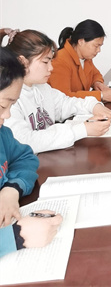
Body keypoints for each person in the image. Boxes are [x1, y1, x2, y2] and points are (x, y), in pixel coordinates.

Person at [2, 29, 111, 155]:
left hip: (49, 157)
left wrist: (93, 106)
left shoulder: (42, 88)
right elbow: (24, 141)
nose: (51, 68)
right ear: (22, 62)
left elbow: (65, 103)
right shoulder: (8, 99)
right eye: (45, 62)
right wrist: (81, 130)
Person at [0, 47, 62, 257]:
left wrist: (11, 189)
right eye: (3, 106)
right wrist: (15, 238)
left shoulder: (3, 135)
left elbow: (25, 157)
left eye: (12, 105)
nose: (7, 116)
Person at [48, 19, 111, 102]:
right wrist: (101, 95)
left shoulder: (85, 57)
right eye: (96, 46)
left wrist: (98, 83)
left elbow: (95, 74)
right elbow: (64, 97)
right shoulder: (60, 60)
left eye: (100, 46)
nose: (99, 50)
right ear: (81, 41)